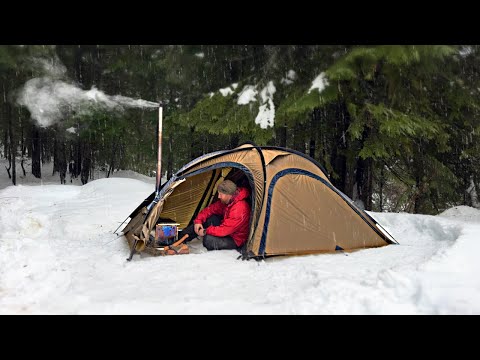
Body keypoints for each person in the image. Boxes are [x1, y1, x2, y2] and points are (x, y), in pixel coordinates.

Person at [181, 179, 251, 251]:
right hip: (227, 231)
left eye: (221, 194)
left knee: (208, 240)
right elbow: (210, 209)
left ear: (229, 195)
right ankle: (182, 237)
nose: (218, 196)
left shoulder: (239, 208)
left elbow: (224, 230)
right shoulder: (228, 201)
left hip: (235, 239)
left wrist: (205, 231)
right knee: (210, 218)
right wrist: (198, 221)